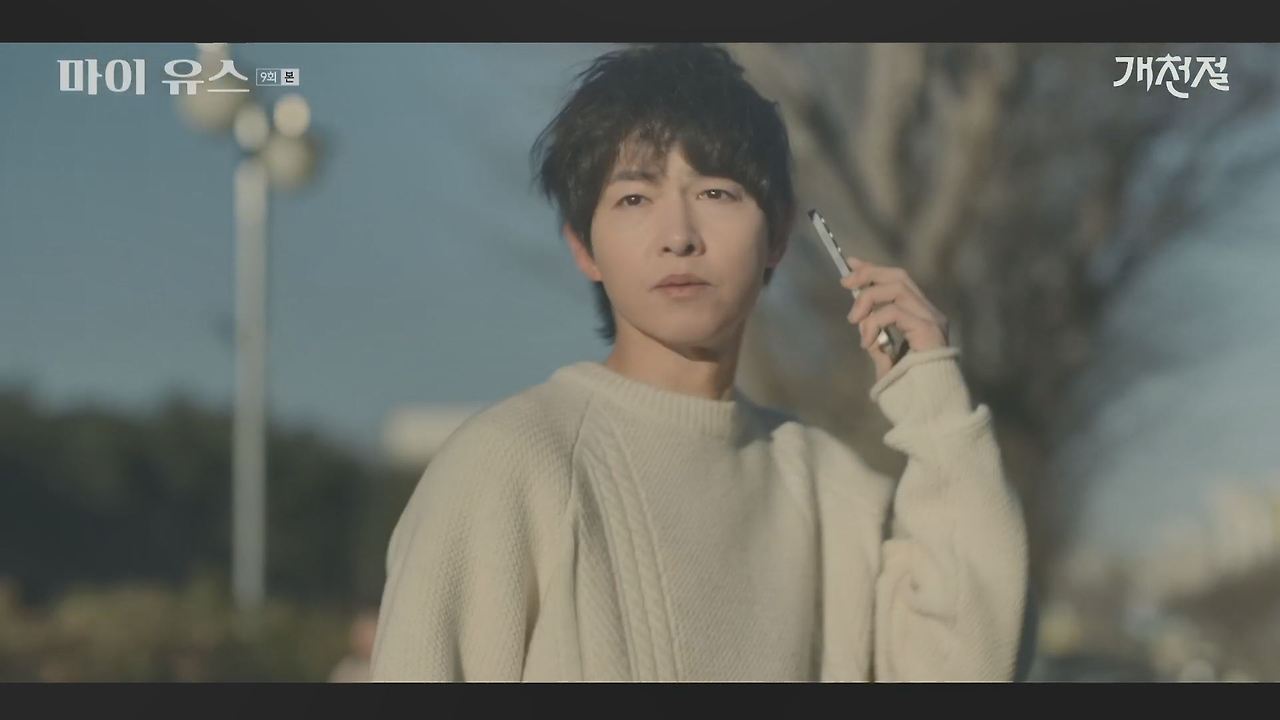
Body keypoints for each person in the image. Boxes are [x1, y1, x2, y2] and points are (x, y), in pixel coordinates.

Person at [370, 43, 1028, 681]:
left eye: (716, 193)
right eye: (634, 198)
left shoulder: (834, 493)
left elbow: (968, 667)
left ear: (778, 233)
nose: (679, 236)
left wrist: (935, 405)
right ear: (583, 247)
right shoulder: (509, 466)